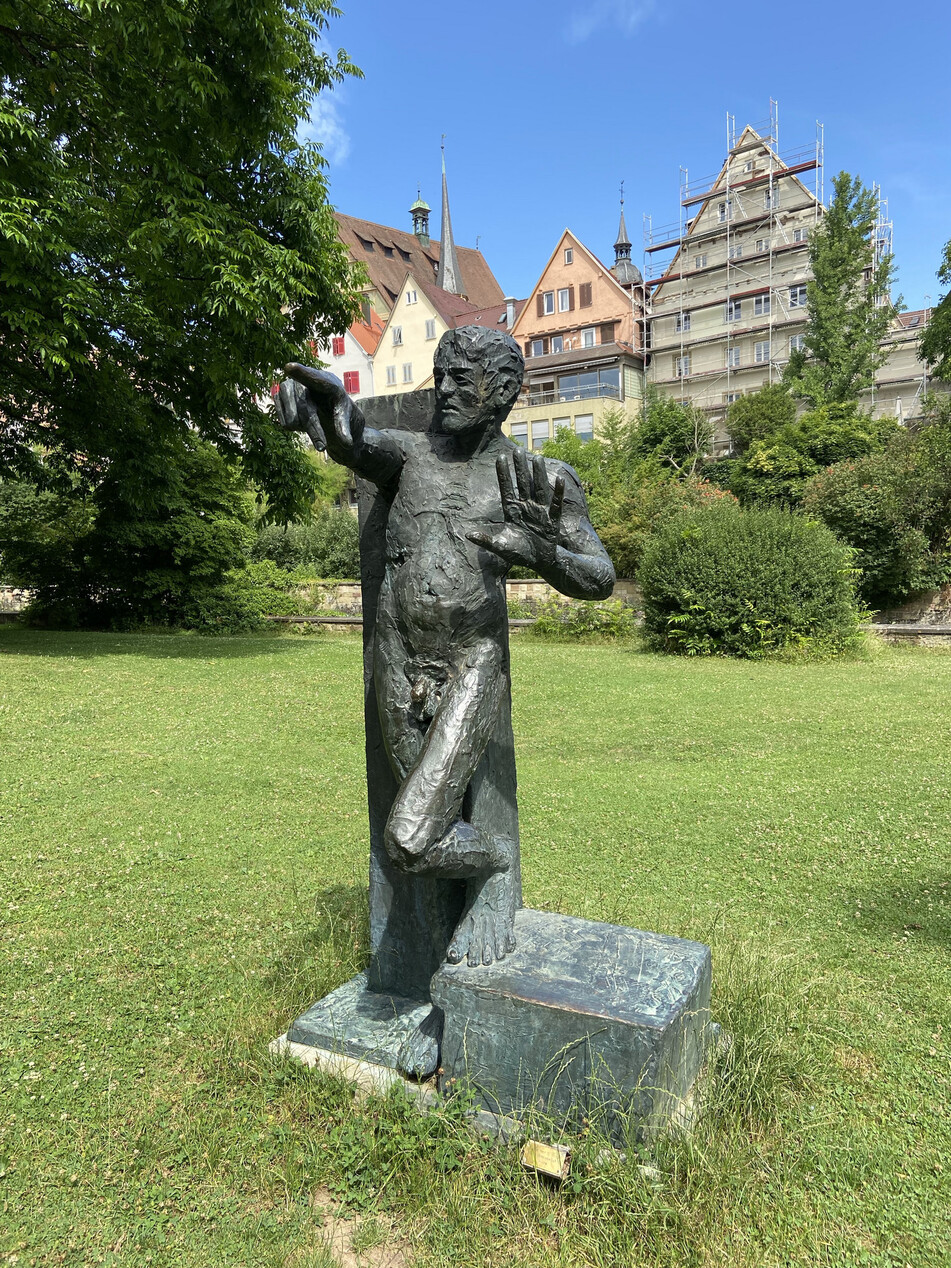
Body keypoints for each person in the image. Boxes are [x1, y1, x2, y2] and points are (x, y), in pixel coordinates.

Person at [276, 326, 614, 971]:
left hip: (470, 664)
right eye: (441, 373)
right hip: (398, 662)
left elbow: (598, 575)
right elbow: (353, 437)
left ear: (505, 390)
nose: (445, 389)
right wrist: (318, 405)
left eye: (462, 377)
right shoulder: (410, 455)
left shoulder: (538, 475)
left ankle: (494, 867)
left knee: (408, 837)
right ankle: (430, 983)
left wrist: (538, 550)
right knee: (419, 833)